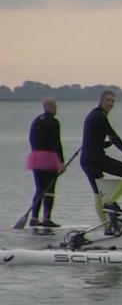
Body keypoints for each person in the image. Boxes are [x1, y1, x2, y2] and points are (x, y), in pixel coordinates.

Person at [80, 90, 122, 232]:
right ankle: (110, 202)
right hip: (96, 159)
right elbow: (113, 135)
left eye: (113, 101)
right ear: (101, 101)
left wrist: (107, 144)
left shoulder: (92, 115)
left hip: (86, 159)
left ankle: (106, 228)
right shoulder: (100, 116)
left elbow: (97, 140)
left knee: (98, 193)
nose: (111, 104)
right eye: (108, 100)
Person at [26, 97, 66, 228]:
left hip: (36, 157)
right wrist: (61, 162)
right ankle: (47, 218)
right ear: (53, 107)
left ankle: (33, 218)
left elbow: (31, 139)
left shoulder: (36, 121)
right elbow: (56, 142)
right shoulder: (54, 122)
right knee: (49, 188)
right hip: (49, 158)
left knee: (39, 188)